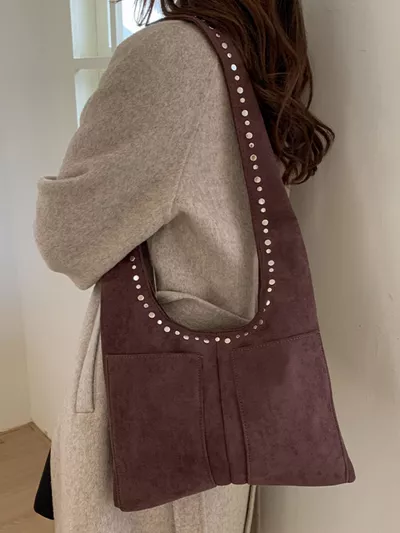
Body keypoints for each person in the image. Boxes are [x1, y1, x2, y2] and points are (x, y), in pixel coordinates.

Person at [34, 1, 334, 531]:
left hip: (148, 410)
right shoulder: (253, 54)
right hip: (218, 407)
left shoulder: (172, 54)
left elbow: (64, 238)